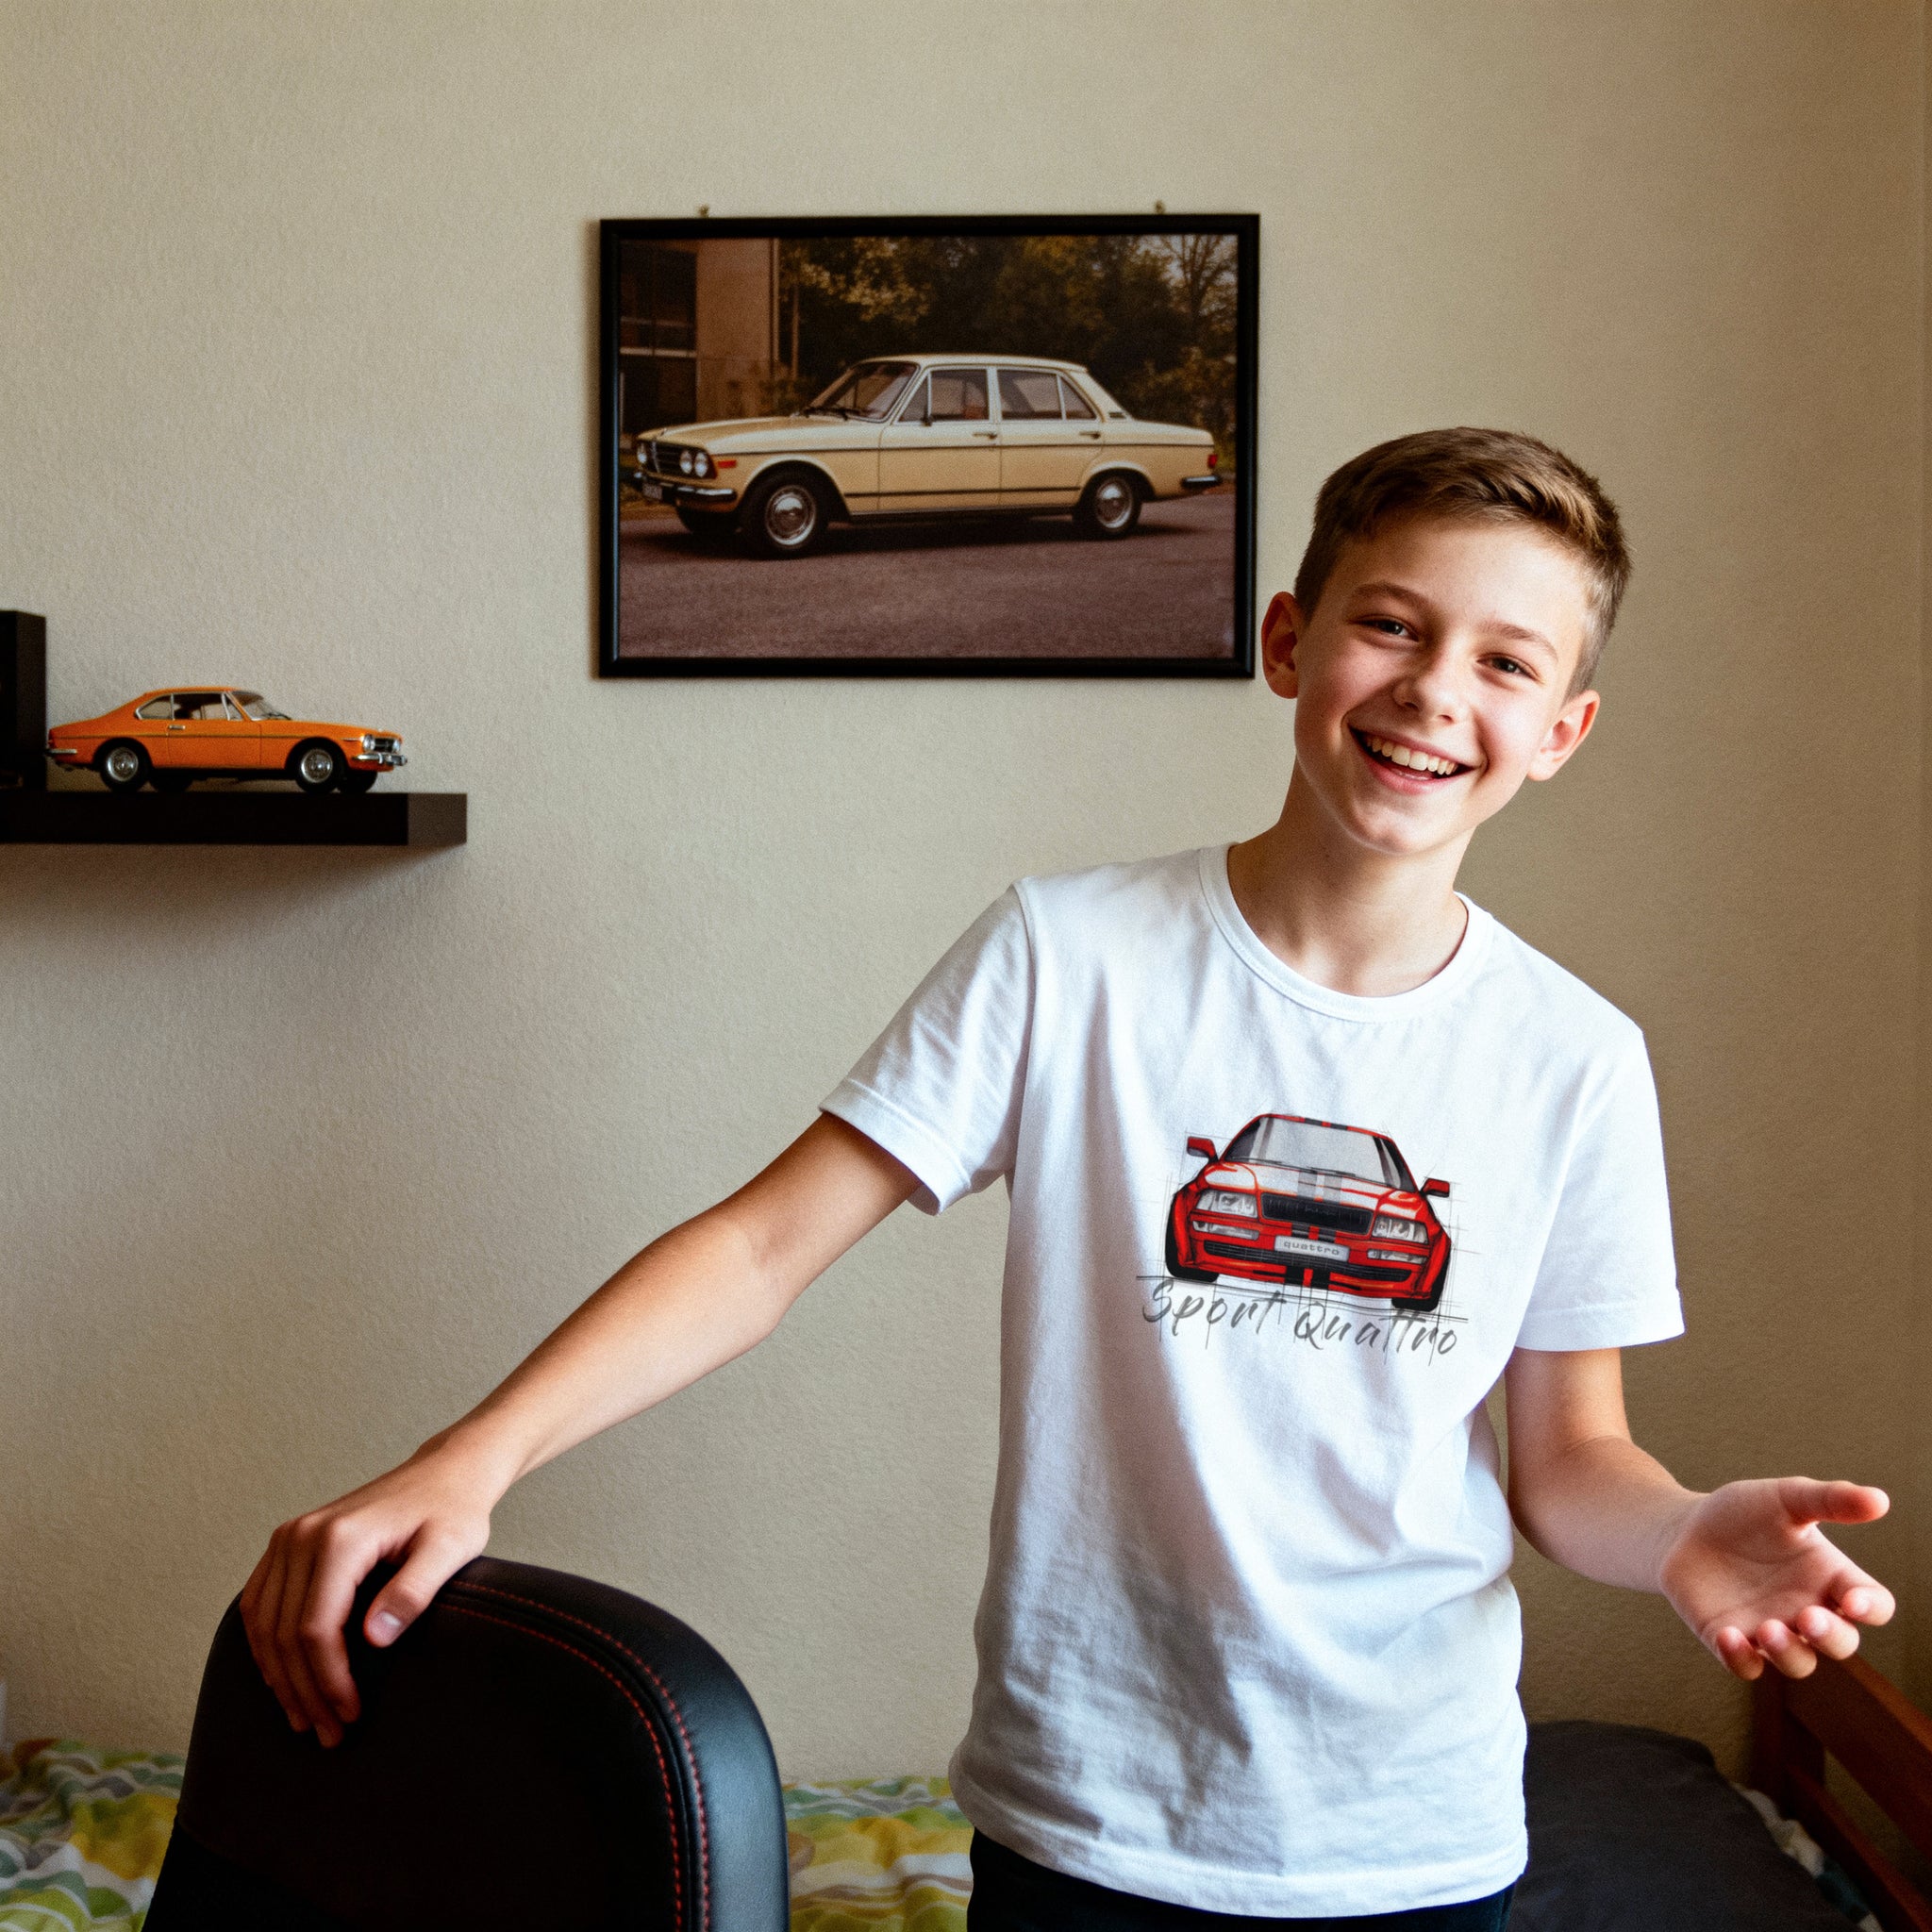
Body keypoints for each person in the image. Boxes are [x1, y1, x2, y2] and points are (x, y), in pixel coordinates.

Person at [242, 428, 1896, 1931]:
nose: (1432, 692)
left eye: (1505, 661)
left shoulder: (1573, 1057)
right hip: (1087, 1815)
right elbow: (759, 1249)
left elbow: (1569, 1459)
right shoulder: (1073, 954)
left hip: (1409, 1829)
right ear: (1289, 642)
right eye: (1391, 626)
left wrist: (1678, 1533)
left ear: (1561, 731)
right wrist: (470, 1459)